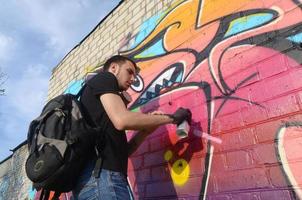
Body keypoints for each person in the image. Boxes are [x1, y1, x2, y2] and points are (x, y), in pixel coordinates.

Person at [72, 55, 192, 200]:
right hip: (102, 180)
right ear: (114, 68)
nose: (133, 78)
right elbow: (122, 120)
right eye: (129, 72)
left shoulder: (103, 114)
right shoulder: (105, 78)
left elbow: (125, 151)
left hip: (102, 180)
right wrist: (172, 118)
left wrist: (145, 130)